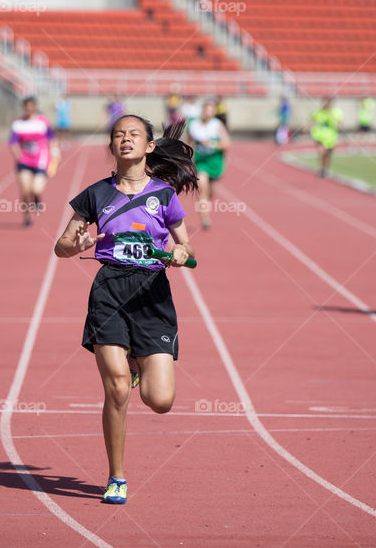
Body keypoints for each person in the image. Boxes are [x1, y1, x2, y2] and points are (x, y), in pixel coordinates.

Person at [54, 114, 197, 506]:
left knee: (160, 400)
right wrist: (77, 244)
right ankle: (116, 477)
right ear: (112, 147)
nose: (126, 139)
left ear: (149, 146)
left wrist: (180, 253)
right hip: (111, 291)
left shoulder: (165, 196)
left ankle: (138, 365)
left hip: (153, 294)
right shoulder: (95, 194)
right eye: (119, 135)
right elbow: (61, 247)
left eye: (134, 134)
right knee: (116, 388)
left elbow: (186, 249)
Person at [9, 96, 59, 227]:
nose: (29, 109)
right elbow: (12, 143)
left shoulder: (43, 121)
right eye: (26, 107)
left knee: (36, 190)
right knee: (25, 191)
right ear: (24, 108)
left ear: (35, 107)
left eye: (31, 107)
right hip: (24, 161)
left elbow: (52, 138)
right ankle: (27, 217)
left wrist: (54, 153)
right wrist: (18, 156)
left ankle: (37, 199)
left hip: (41, 161)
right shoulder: (18, 123)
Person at [188, 100, 230, 230]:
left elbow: (227, 144)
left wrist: (211, 144)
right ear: (203, 110)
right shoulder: (194, 125)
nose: (208, 113)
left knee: (211, 192)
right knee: (202, 188)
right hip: (201, 163)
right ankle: (205, 218)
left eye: (211, 111)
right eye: (206, 110)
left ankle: (207, 202)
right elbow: (190, 143)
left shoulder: (217, 125)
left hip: (215, 163)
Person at [309, 97, 342, 177]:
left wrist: (338, 126)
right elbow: (311, 119)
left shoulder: (335, 112)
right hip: (319, 135)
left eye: (328, 102)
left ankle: (325, 169)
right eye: (325, 102)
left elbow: (339, 123)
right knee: (322, 152)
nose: (327, 104)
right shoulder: (318, 112)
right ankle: (321, 169)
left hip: (330, 137)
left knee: (328, 154)